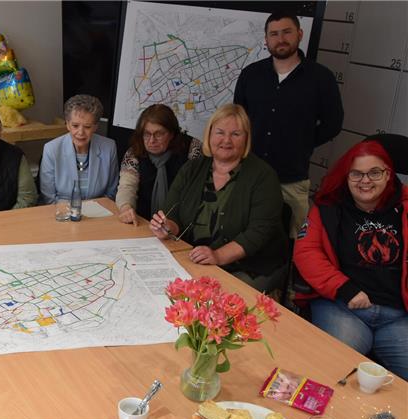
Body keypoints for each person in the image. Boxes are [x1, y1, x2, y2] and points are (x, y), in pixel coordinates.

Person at [293, 141, 407, 380]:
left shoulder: (404, 206)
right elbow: (306, 251)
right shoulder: (329, 207)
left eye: (374, 172)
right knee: (331, 371)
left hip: (398, 316)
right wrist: (344, 288)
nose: (365, 181)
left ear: (388, 175)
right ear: (346, 177)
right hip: (343, 308)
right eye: (356, 174)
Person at [149, 104, 288, 292]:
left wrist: (218, 256)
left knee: (216, 303)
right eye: (220, 133)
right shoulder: (192, 169)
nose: (226, 140)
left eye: (236, 134)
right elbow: (173, 215)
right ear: (209, 135)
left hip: (248, 266)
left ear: (246, 138)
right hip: (194, 257)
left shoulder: (263, 176)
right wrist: (166, 227)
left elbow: (259, 233)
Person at [234, 10, 343, 237]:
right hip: (248, 175)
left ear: (300, 34)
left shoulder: (321, 78)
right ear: (266, 40)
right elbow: (238, 119)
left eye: (287, 32)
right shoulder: (250, 75)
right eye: (273, 34)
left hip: (292, 177)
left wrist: (303, 143)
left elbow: (333, 123)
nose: (280, 39)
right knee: (244, 233)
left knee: (294, 241)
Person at [116, 104, 202, 224]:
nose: (152, 141)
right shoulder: (134, 152)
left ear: (172, 133)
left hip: (182, 224)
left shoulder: (192, 149)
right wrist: (126, 208)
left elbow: (197, 192)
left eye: (159, 134)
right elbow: (127, 186)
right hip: (143, 221)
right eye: (146, 134)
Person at [39, 94, 119, 204]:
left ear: (95, 126)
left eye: (87, 127)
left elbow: (111, 193)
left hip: (99, 214)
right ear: (67, 124)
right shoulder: (51, 149)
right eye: (75, 126)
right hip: (61, 214)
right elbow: (48, 197)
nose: (81, 132)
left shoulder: (109, 147)